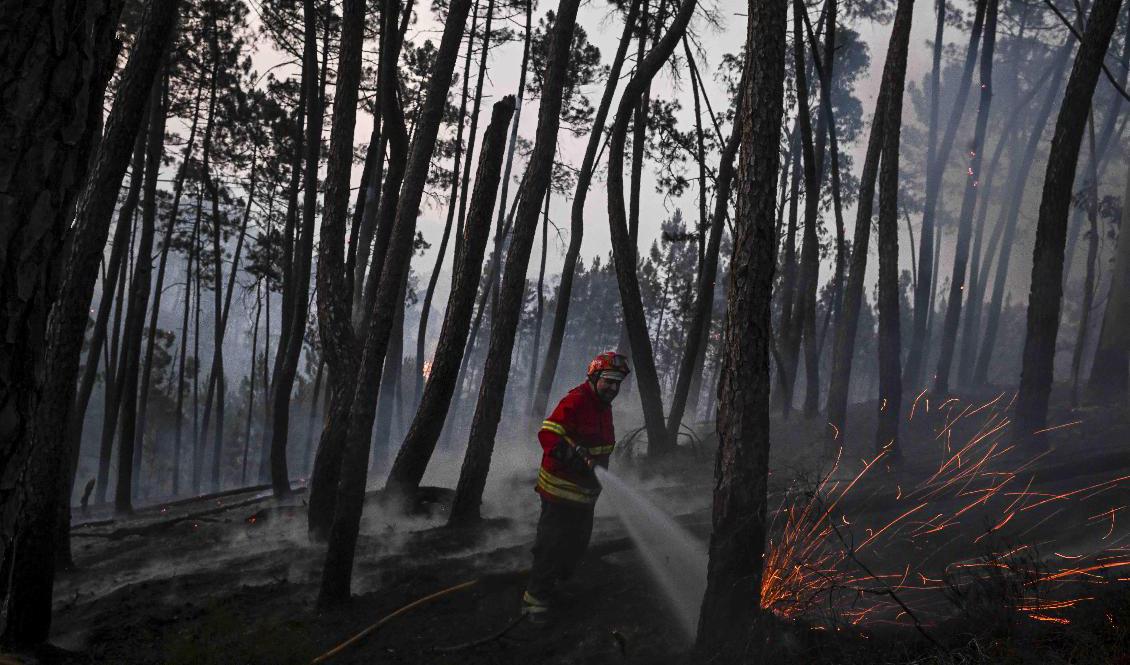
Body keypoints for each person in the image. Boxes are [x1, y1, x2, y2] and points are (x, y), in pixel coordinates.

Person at [520, 351, 630, 623]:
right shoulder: (577, 400)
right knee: (551, 547)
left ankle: (554, 589)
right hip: (559, 494)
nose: (613, 388)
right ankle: (535, 604)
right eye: (608, 381)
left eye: (617, 383)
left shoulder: (603, 407)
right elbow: (548, 433)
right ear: (593, 378)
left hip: (585, 497)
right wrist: (572, 457)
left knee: (576, 548)